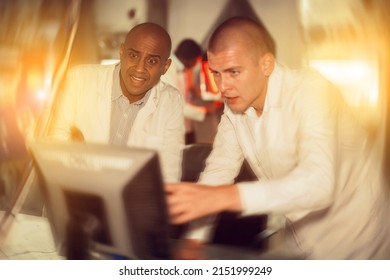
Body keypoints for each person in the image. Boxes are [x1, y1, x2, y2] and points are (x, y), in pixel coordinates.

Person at [166, 17, 390, 259]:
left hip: (362, 240)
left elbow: (319, 183)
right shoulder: (234, 108)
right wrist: (194, 239)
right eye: (216, 74)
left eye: (233, 72)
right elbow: (219, 169)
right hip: (300, 239)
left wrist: (227, 197)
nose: (223, 86)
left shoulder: (312, 90)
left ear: (266, 64)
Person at [47, 22, 185, 182]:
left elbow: (169, 173)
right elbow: (53, 143)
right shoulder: (79, 79)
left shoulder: (171, 100)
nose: (139, 68)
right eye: (134, 55)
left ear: (165, 67)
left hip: (131, 203)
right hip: (74, 193)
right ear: (121, 52)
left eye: (152, 61)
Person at [161, 39, 206, 144]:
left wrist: (193, 92)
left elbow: (185, 96)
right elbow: (176, 106)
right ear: (185, 58)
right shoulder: (167, 71)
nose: (195, 64)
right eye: (195, 61)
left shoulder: (184, 70)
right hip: (173, 130)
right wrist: (206, 111)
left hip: (187, 128)